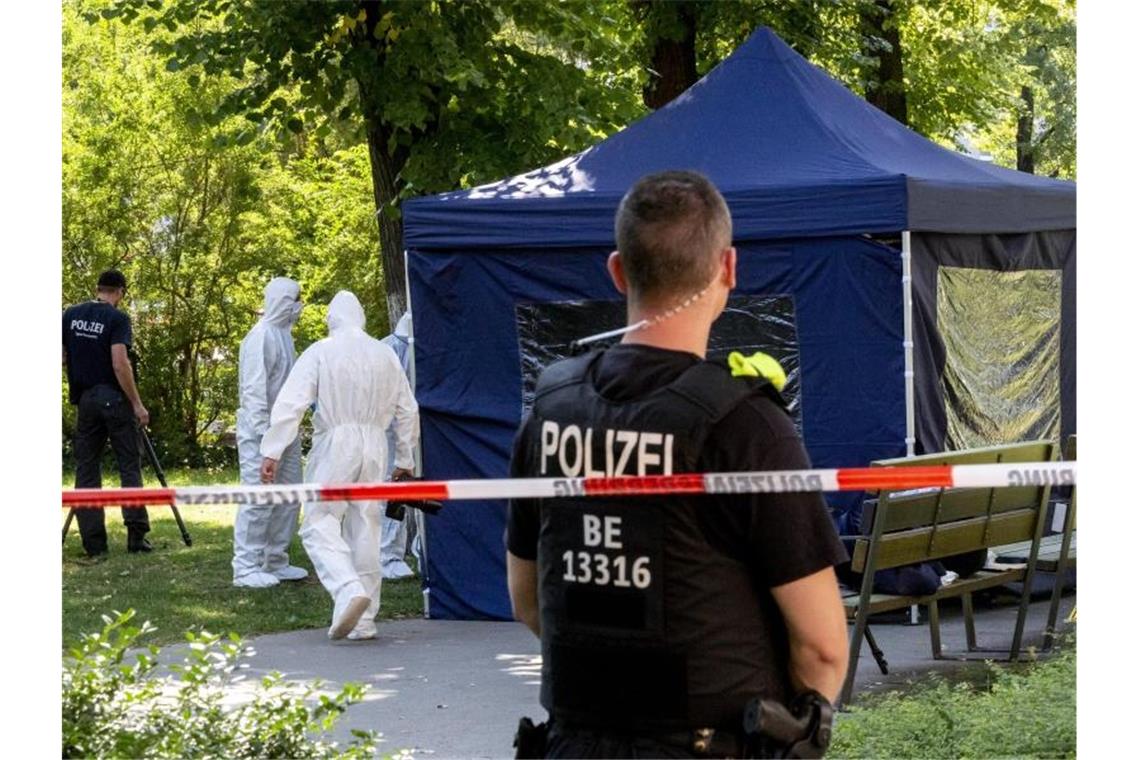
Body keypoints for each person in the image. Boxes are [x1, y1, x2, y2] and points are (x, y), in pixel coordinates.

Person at [505, 171, 850, 758]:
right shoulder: (745, 426)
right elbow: (822, 648)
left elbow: (528, 598)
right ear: (729, 269)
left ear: (618, 271)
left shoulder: (550, 409)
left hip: (574, 742)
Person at [259, 291, 418, 641]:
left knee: (319, 522)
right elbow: (408, 410)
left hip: (336, 443)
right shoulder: (386, 353)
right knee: (366, 526)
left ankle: (348, 589)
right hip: (376, 446)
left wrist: (271, 450)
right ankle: (364, 621)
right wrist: (405, 460)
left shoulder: (322, 350)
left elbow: (292, 401)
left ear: (332, 318)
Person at [62, 269, 151, 557]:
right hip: (114, 398)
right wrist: (136, 404)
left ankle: (94, 544)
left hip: (86, 400)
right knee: (129, 464)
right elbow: (119, 363)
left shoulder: (71, 314)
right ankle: (136, 537)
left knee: (86, 468)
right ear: (120, 292)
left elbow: (62, 355)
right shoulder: (117, 319)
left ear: (98, 287)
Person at [232, 277, 308, 588]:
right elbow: (254, 393)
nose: (298, 307)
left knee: (289, 496)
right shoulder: (260, 336)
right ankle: (246, 567)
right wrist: (267, 444)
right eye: (294, 300)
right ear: (280, 300)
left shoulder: (284, 336)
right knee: (259, 497)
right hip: (260, 434)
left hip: (286, 431)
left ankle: (275, 559)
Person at [379, 311, 416, 579]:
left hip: (410, 430)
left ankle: (411, 546)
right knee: (394, 489)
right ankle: (387, 554)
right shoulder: (387, 350)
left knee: (410, 489)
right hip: (388, 433)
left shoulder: (407, 348)